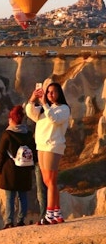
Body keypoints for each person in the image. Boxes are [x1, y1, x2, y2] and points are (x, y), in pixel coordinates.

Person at [26, 81, 70, 224]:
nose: (50, 94)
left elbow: (55, 119)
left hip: (53, 146)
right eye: (48, 92)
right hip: (42, 145)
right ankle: (57, 213)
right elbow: (30, 113)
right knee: (47, 181)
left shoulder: (64, 108)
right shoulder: (44, 109)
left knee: (50, 181)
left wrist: (44, 103)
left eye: (54, 92)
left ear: (59, 93)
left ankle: (49, 214)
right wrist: (33, 99)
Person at [0, 105, 37, 228]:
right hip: (25, 169)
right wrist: (32, 165)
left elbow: (1, 153)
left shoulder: (7, 134)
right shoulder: (28, 134)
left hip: (10, 170)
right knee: (22, 196)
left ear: (11, 119)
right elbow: (34, 151)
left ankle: (9, 222)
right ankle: (20, 220)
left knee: (10, 197)